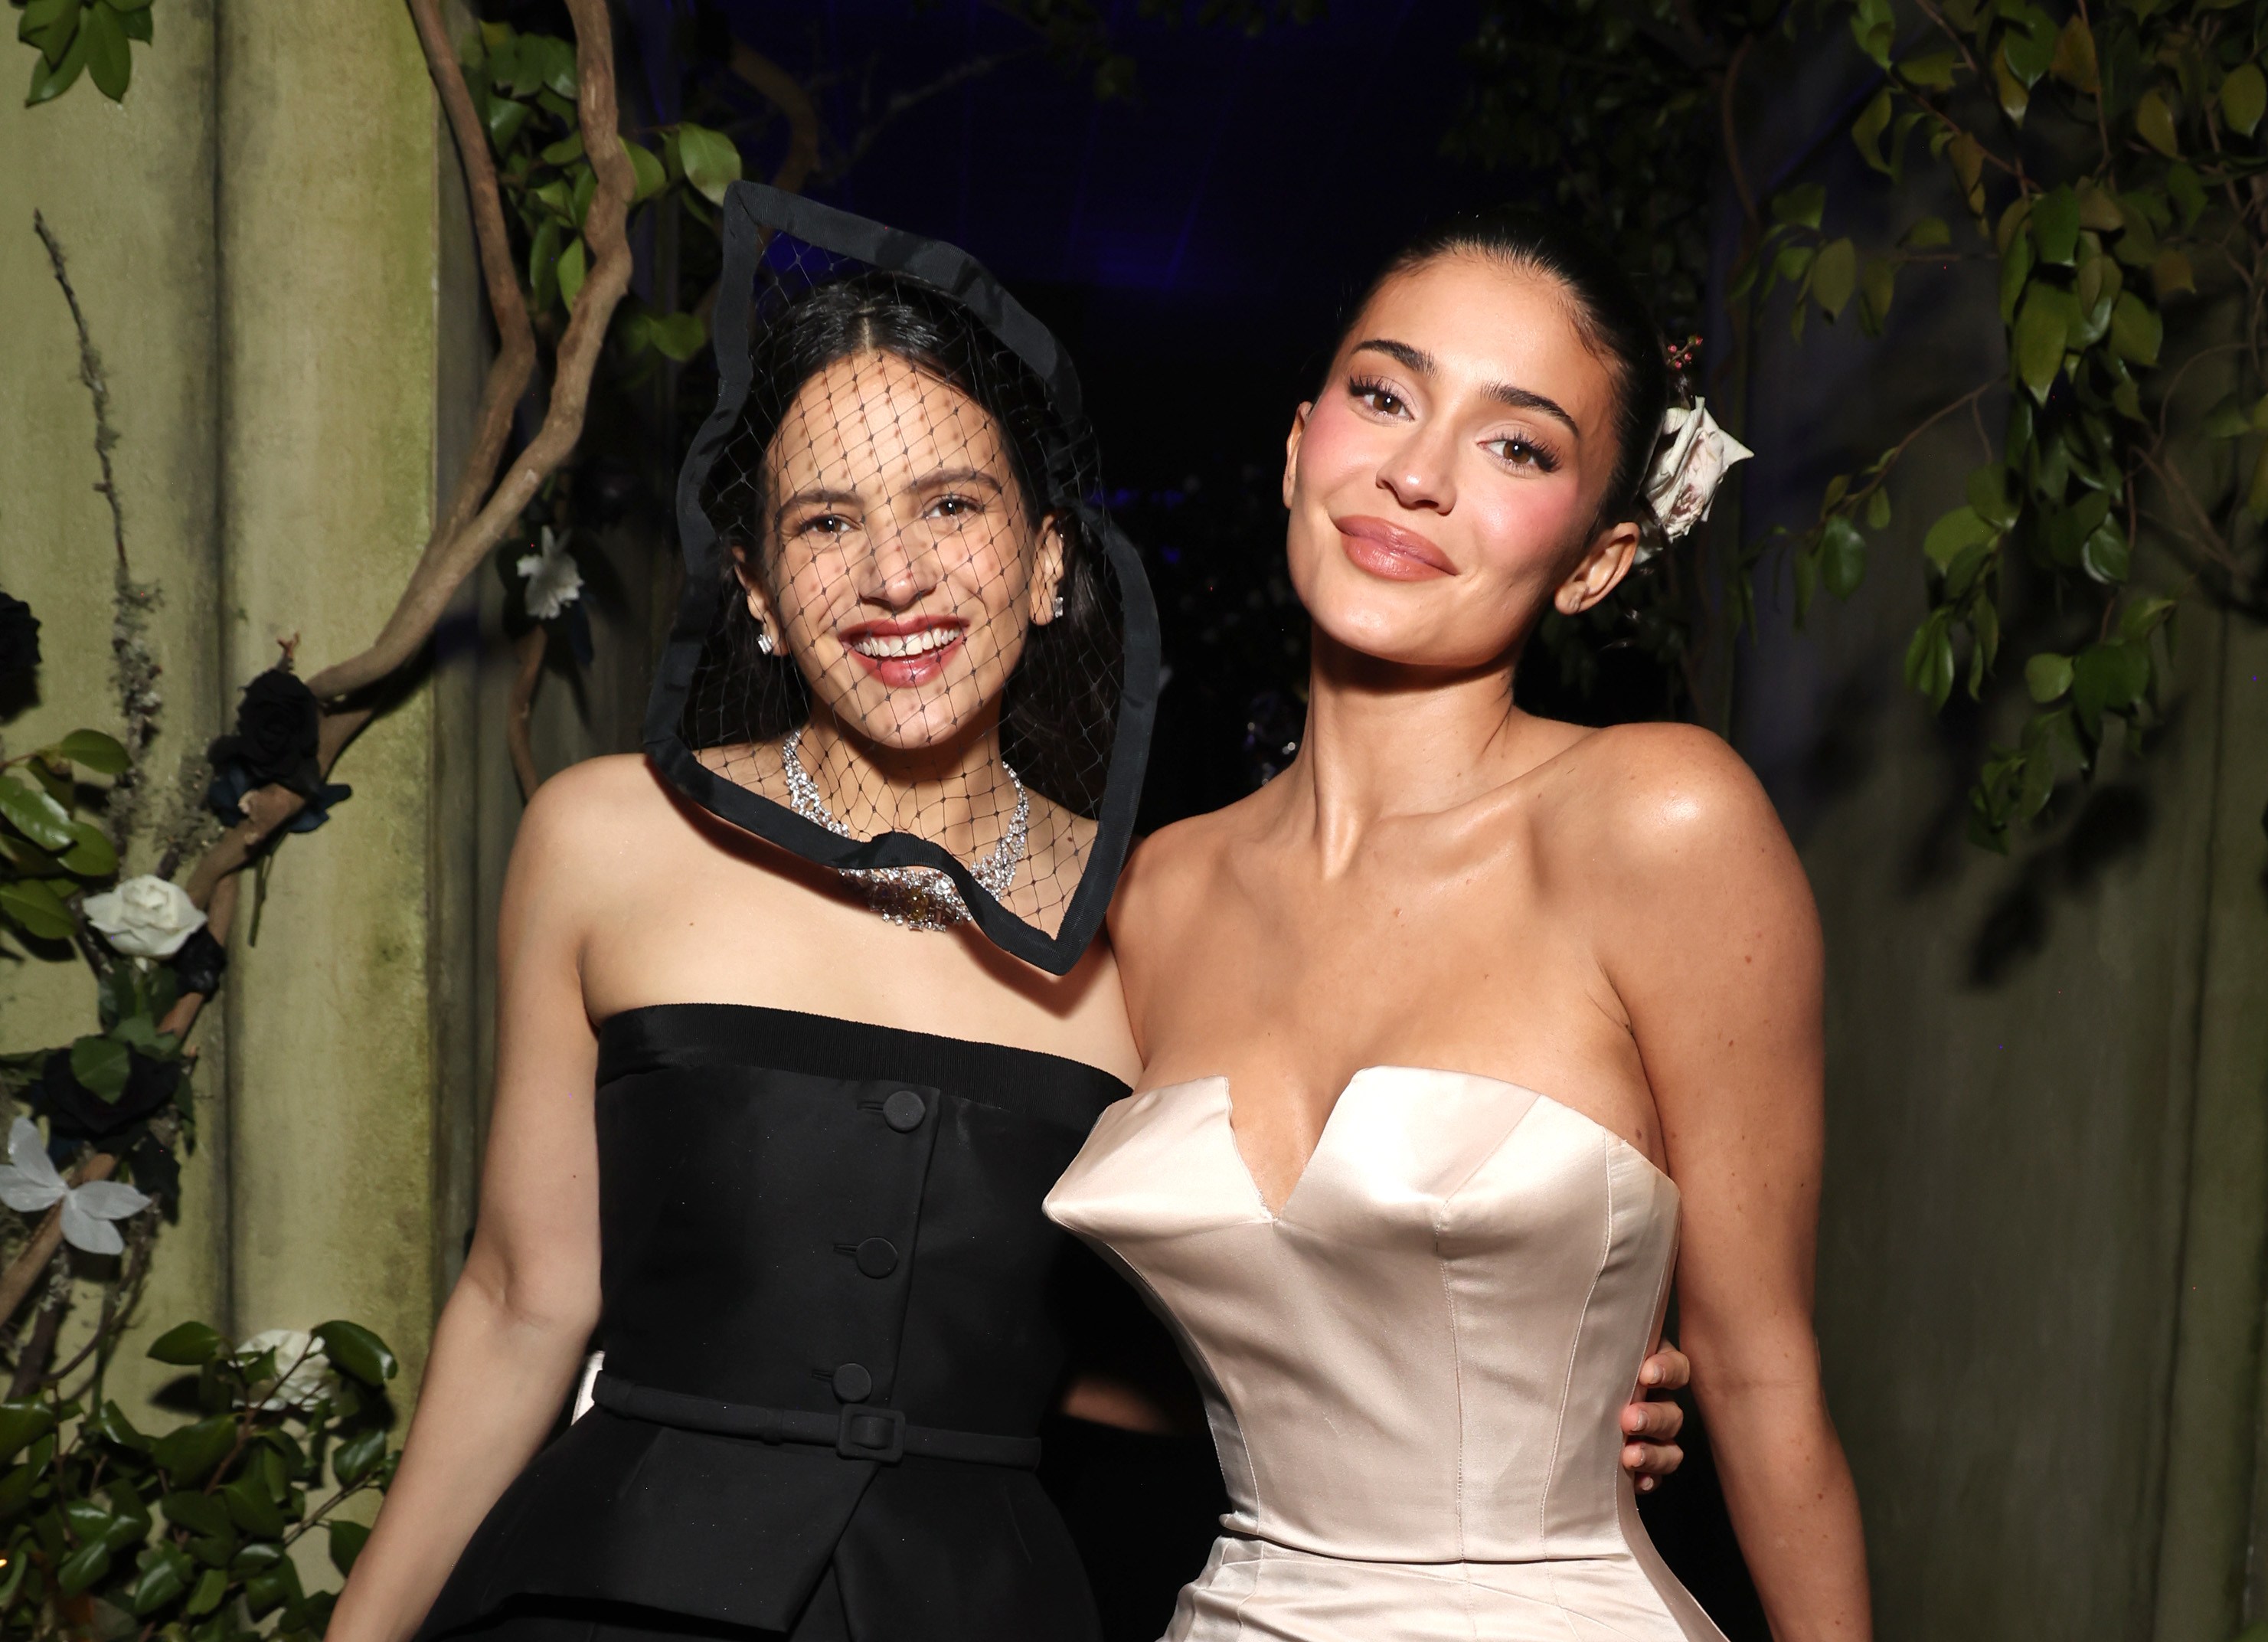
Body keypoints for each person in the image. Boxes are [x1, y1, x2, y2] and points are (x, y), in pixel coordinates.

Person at [325, 190, 1692, 1642]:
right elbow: (522, 1299)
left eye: (951, 509)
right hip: (615, 1594)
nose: (894, 575)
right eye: (826, 521)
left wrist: (1519, 1386)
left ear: (1048, 564)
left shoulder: (1147, 917)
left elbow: (1223, 1306)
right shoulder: (603, 839)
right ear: (761, 595)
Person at [1047, 207, 1872, 1642]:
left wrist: (1564, 1383)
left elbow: (1760, 1376)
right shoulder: (1154, 893)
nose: (1415, 474)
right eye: (1384, 395)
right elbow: (1109, 1339)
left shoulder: (1659, 823)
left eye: (1517, 445)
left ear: (1599, 560)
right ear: (1302, 442)